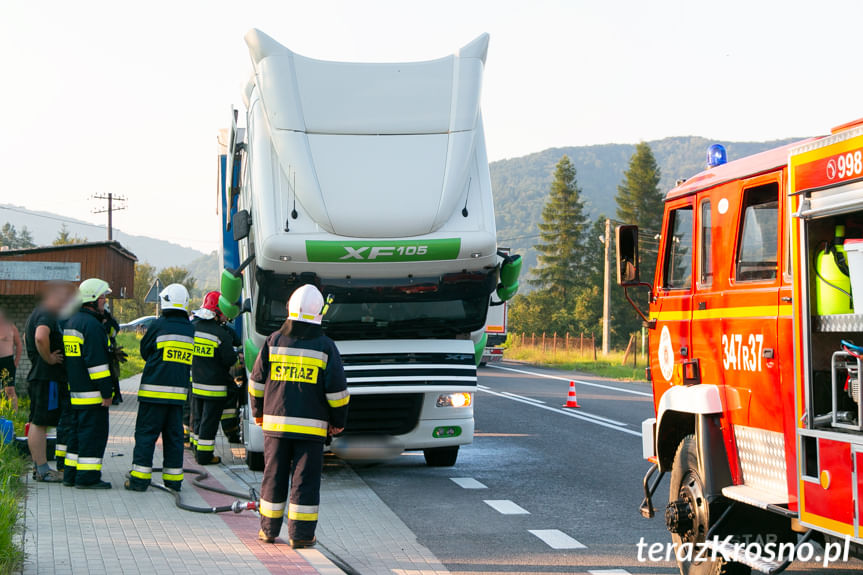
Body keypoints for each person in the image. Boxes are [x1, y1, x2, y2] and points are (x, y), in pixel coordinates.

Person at [250, 284, 349, 547]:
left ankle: (268, 531)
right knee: (304, 482)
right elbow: (337, 392)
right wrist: (338, 422)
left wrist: (258, 414)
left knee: (273, 476)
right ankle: (302, 537)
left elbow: (256, 382)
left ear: (289, 310)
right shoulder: (326, 347)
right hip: (311, 429)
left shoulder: (273, 341)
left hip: (276, 426)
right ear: (319, 313)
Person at [126, 283, 194, 492]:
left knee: (146, 436)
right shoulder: (191, 329)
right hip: (177, 397)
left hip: (152, 395)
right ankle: (173, 481)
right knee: (174, 438)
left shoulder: (158, 325)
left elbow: (145, 351)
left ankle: (139, 480)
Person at [62, 278, 114, 489]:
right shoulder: (92, 326)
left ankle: (71, 475)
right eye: (103, 297)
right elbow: (97, 365)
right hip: (93, 395)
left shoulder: (72, 322)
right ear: (93, 299)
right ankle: (87, 477)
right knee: (93, 436)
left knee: (75, 435)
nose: (105, 302)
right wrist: (107, 392)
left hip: (76, 392)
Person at [24, 282, 72, 482]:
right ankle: (43, 469)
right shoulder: (47, 313)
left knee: (40, 421)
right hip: (46, 377)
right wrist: (50, 358)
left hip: (44, 377)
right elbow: (41, 337)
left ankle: (40, 467)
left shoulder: (41, 312)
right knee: (40, 422)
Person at [190, 291, 238, 465]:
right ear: (217, 311)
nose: (226, 316)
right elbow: (230, 360)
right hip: (215, 387)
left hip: (196, 384)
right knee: (209, 422)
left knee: (197, 419)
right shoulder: (221, 334)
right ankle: (204, 456)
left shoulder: (194, 328)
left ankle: (196, 449)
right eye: (224, 311)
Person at [101, 306, 126, 405]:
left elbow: (112, 334)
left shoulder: (110, 323)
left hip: (110, 349)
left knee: (113, 372)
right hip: (103, 348)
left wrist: (105, 325)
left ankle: (117, 395)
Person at [0, 310, 22, 412]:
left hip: (8, 362)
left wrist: (16, 362)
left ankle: (14, 414)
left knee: (9, 390)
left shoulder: (11, 327)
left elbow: (19, 344)